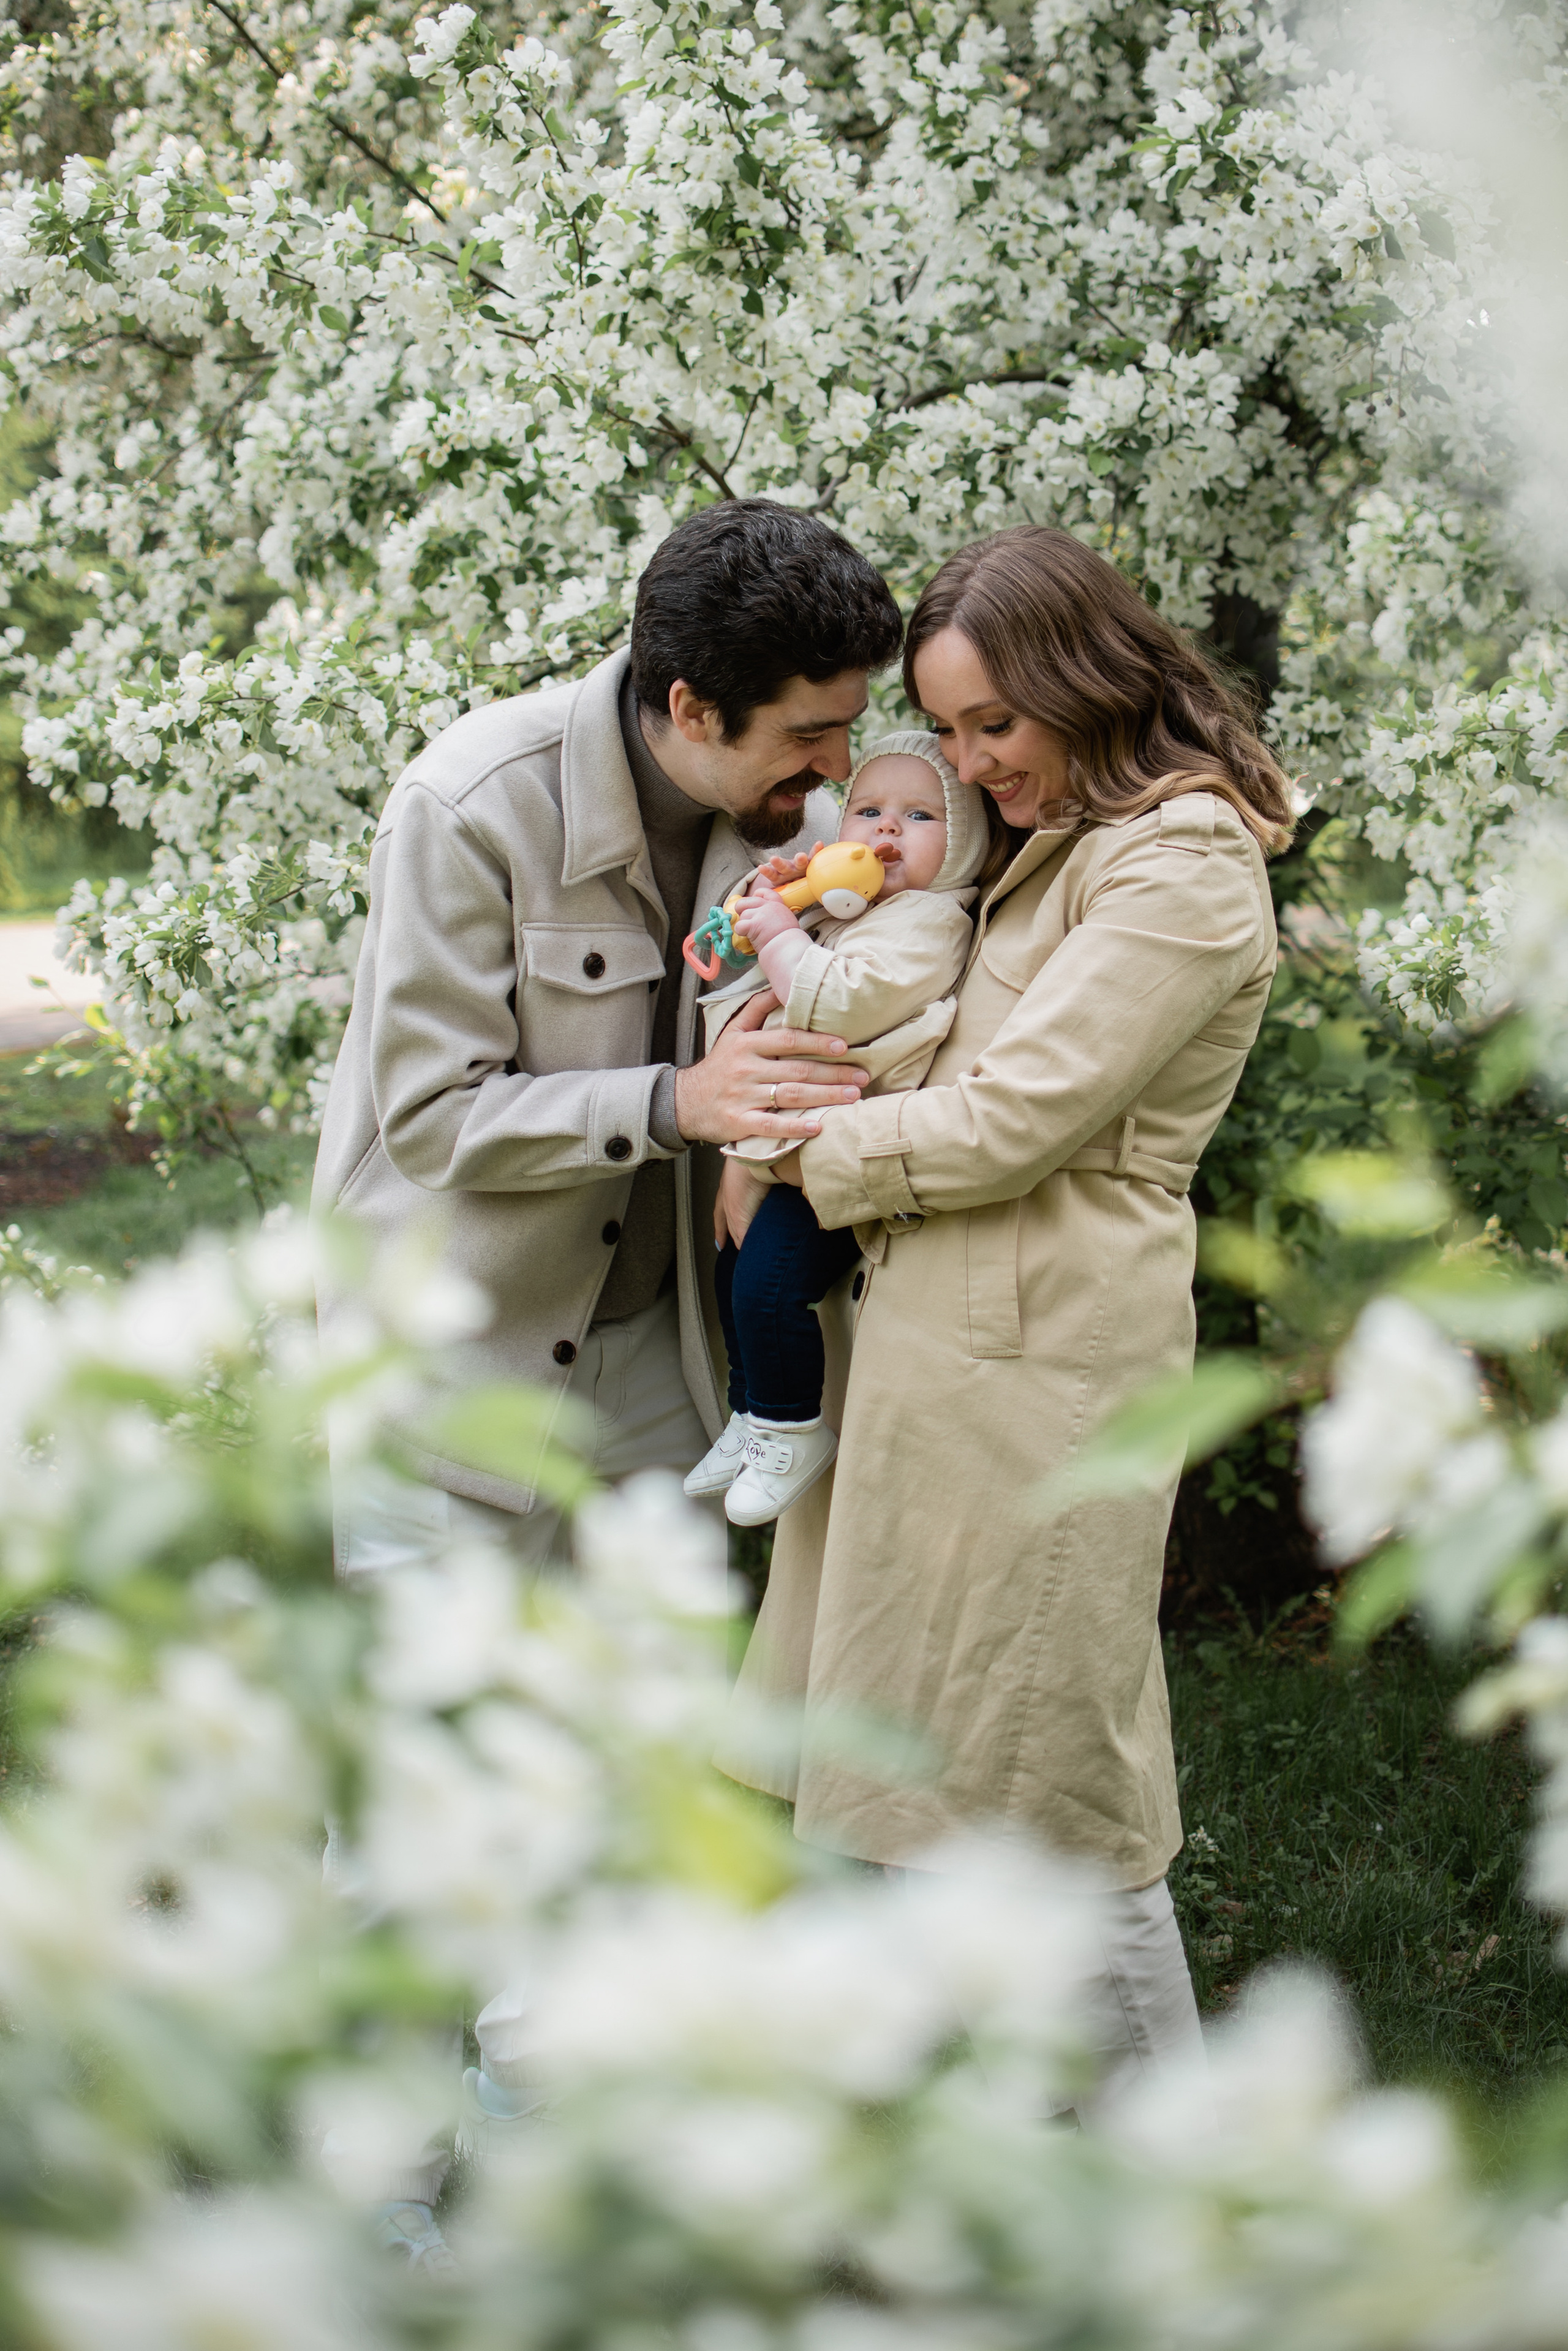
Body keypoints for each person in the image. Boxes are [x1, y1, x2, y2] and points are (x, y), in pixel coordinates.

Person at [716, 524, 1292, 2110]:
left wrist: (784, 1153)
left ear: (1084, 680)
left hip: (1042, 1376)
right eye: (948, 729)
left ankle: (1193, 2195)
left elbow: (1015, 1116)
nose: (968, 763)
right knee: (916, 1785)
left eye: (995, 726)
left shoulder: (1179, 863)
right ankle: (973, 2182)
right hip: (938, 1361)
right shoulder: (1059, 844)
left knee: (1051, 1802)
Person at [312, 500, 903, 1574]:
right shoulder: (471, 803)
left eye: (848, 727)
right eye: (809, 734)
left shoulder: (813, 833)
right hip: (450, 1368)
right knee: (441, 1734)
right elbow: (432, 1119)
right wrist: (682, 1103)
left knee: (648, 1731)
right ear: (693, 706)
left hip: (669, 1362)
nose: (838, 765)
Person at [682, 733, 988, 1525]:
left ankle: (792, 1424)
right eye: (869, 810)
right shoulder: (848, 906)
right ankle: (750, 1414)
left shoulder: (929, 920)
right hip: (785, 1137)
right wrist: (776, 896)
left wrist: (787, 937)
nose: (886, 831)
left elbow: (843, 999)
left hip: (838, 1148)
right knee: (732, 1263)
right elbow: (726, 964)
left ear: (962, 842)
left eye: (919, 815)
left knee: (772, 1285)